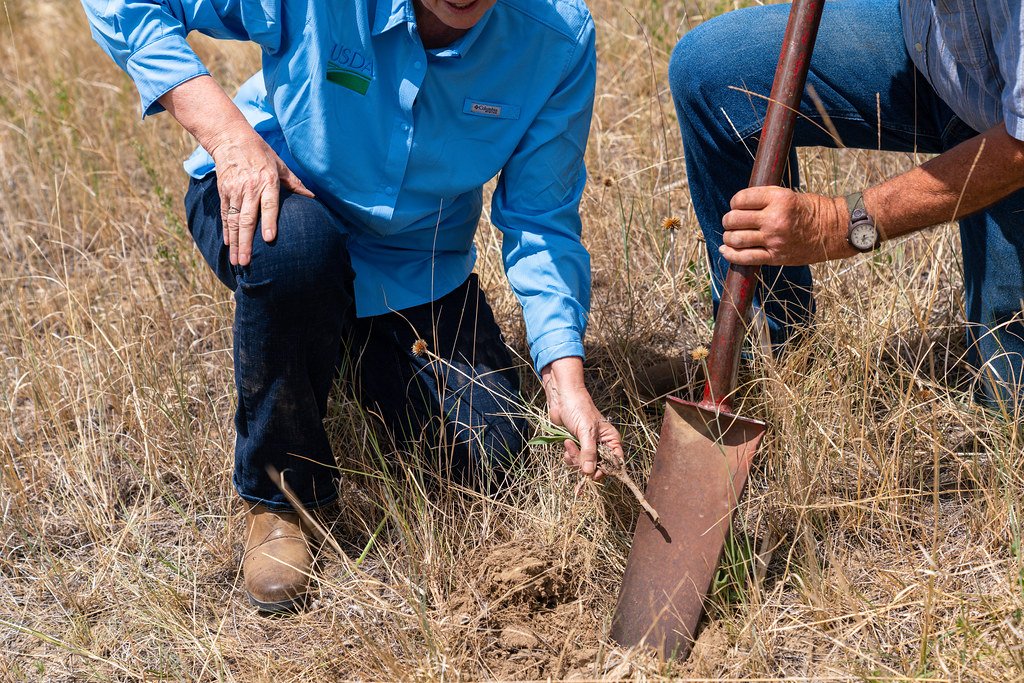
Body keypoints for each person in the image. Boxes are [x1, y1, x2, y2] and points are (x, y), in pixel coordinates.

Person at [81, 0, 624, 612]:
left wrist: (563, 373)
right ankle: (280, 496)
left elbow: (541, 221)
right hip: (278, 206)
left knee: (491, 460)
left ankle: (340, 348)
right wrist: (231, 139)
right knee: (298, 254)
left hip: (414, 264)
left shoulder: (556, 37)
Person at [667, 1, 1024, 406]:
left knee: (1008, 398)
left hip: (1014, 137)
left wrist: (838, 224)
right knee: (710, 72)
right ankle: (770, 366)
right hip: (936, 45)